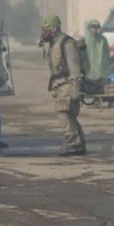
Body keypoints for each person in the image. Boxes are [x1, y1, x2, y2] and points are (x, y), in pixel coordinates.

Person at [40, 14, 87, 156]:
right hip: (58, 85)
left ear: (54, 28)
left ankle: (73, 143)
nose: (44, 33)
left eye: (46, 29)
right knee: (69, 115)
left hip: (68, 84)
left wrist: (75, 92)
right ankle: (79, 143)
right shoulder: (53, 43)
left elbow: (75, 69)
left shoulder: (67, 44)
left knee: (63, 113)